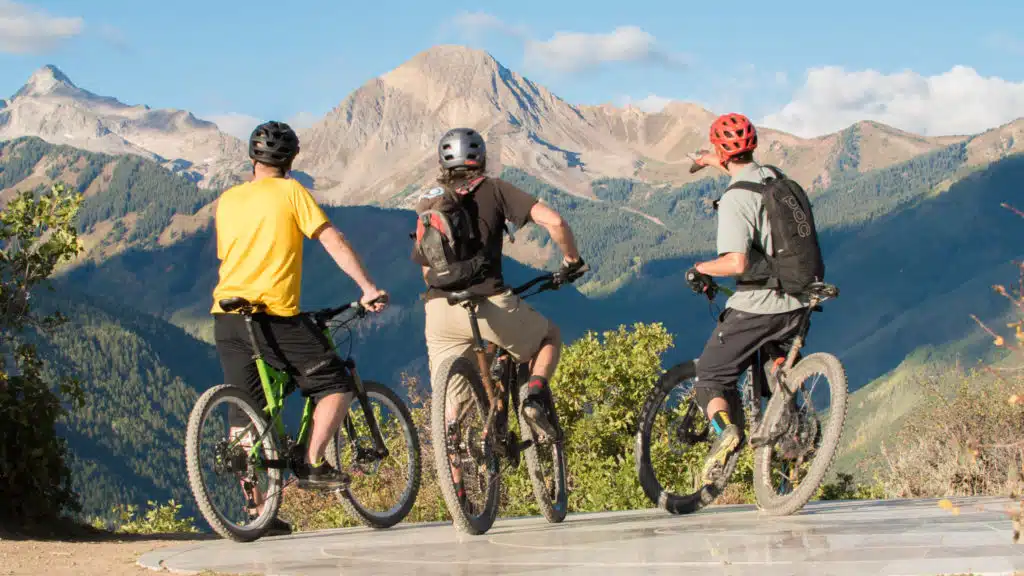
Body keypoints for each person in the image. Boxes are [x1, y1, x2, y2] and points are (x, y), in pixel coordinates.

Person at [211, 120, 388, 532]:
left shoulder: (228, 200)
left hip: (226, 315)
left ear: (252, 159)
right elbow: (331, 239)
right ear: (290, 161)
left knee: (245, 413)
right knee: (336, 383)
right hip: (271, 315)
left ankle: (258, 514)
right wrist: (366, 287)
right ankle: (311, 463)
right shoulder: (292, 192)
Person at [412, 127, 584, 501]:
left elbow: (425, 269)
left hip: (439, 309)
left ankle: (458, 492)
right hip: (489, 304)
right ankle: (535, 397)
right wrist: (571, 260)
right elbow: (554, 222)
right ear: (482, 159)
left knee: (451, 409)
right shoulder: (496, 189)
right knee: (549, 335)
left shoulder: (430, 203)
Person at [686, 113, 810, 484]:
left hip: (760, 306)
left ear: (723, 151)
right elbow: (745, 175)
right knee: (777, 365)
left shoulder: (735, 199)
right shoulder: (775, 178)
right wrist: (712, 161)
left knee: (709, 377)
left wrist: (701, 269)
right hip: (800, 298)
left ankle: (727, 432)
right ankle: (793, 438)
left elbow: (736, 262)